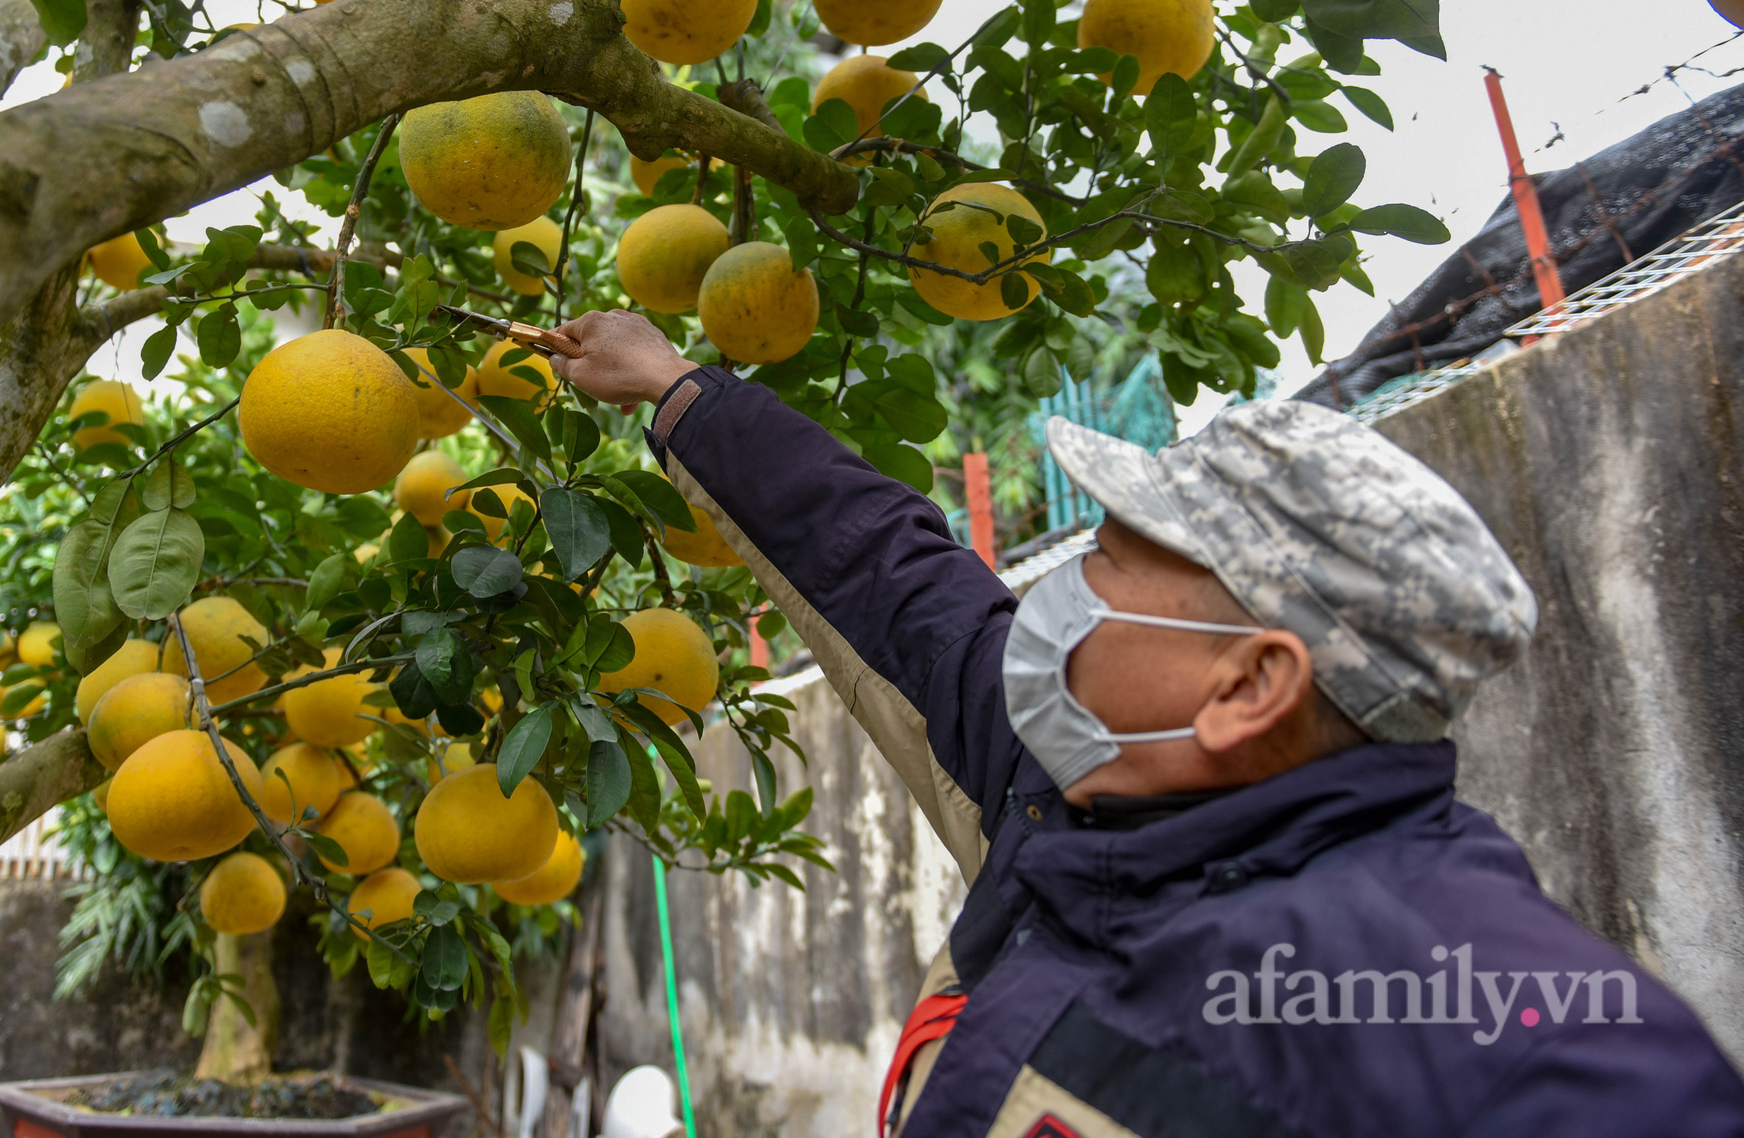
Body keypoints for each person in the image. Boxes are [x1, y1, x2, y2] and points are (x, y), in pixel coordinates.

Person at [548, 308, 1744, 1138]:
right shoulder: (1072, 791)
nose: (1062, 591)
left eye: (1113, 564)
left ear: (1249, 685)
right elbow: (891, 568)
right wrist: (677, 390)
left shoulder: (1519, 1045)